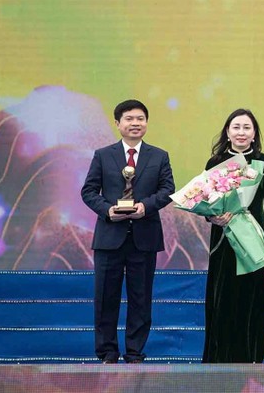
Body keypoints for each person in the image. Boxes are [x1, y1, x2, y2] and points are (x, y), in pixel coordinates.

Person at [81, 99, 175, 364]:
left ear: (146, 123)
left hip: (144, 238)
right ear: (118, 123)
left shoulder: (159, 156)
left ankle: (135, 353)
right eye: (129, 119)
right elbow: (88, 191)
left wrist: (145, 207)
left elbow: (168, 190)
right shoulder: (103, 154)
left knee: (141, 299)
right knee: (105, 299)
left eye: (140, 119)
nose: (135, 123)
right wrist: (108, 210)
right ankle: (107, 353)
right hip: (109, 237)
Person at [202, 109, 264, 363]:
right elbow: (205, 199)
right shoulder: (215, 163)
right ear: (227, 132)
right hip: (223, 239)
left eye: (247, 127)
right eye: (236, 127)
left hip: (253, 238)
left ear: (254, 134)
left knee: (251, 297)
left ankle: (250, 356)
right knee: (223, 298)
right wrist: (213, 217)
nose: (241, 132)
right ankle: (218, 358)